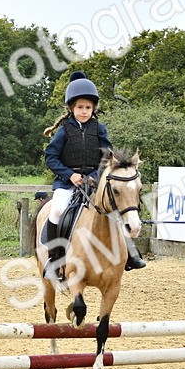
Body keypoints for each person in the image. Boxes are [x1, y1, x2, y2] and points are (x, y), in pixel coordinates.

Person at [40, 70, 145, 281]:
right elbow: (51, 157)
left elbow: (107, 157)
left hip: (94, 183)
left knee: (115, 210)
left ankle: (130, 254)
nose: (84, 111)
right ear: (71, 108)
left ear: (93, 108)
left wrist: (94, 177)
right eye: (80, 107)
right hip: (67, 183)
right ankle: (55, 259)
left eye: (88, 108)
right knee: (57, 210)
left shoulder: (99, 128)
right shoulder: (64, 130)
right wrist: (70, 175)